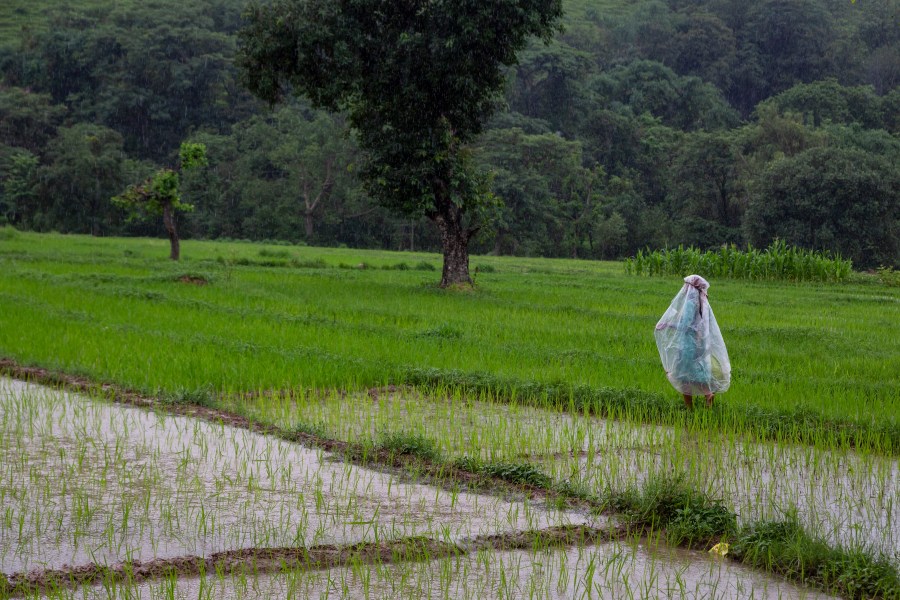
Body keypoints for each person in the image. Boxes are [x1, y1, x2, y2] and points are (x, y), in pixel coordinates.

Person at [654, 275, 730, 409]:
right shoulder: (702, 302)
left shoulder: (690, 302)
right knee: (698, 373)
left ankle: (689, 408)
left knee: (683, 376)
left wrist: (668, 325)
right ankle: (708, 394)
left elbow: (686, 324)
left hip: (688, 344)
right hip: (701, 343)